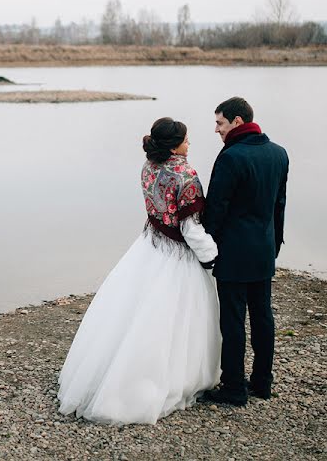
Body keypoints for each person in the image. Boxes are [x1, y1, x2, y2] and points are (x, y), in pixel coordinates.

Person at [57, 117, 221, 424]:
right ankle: (167, 381)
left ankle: (105, 375)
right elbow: (190, 227)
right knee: (173, 318)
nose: (190, 143)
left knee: (130, 311)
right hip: (177, 256)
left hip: (150, 245)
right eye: (186, 139)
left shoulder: (148, 166)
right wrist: (212, 256)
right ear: (175, 144)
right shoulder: (185, 174)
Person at [202, 97, 289, 406]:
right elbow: (279, 206)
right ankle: (263, 382)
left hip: (234, 254)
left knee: (233, 321)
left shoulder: (231, 157)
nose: (216, 129)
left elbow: (216, 210)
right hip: (264, 249)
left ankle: (234, 388)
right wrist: (274, 245)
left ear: (237, 122)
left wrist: (206, 248)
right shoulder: (279, 154)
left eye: (220, 123)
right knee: (263, 316)